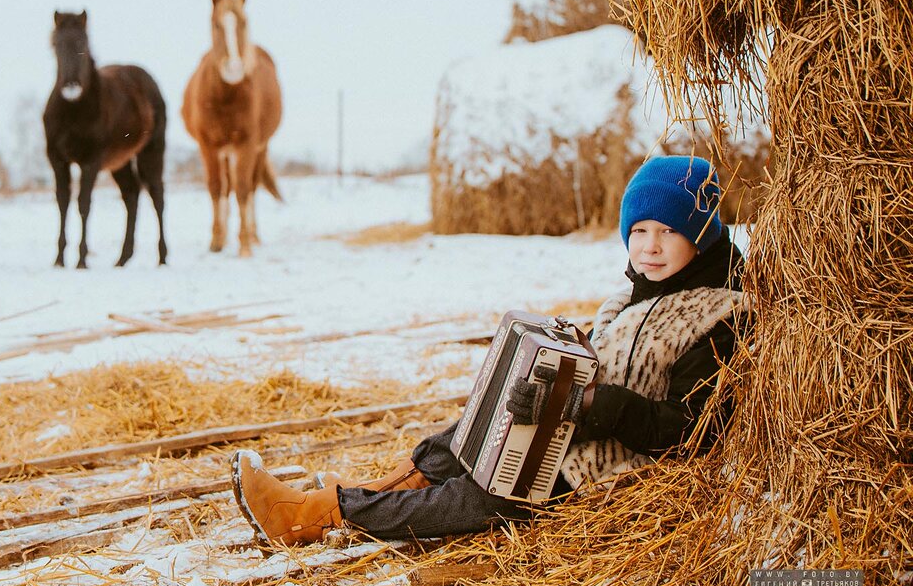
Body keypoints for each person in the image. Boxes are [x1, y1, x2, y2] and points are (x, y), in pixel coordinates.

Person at [230, 155, 748, 545]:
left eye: (668, 231)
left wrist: (584, 403)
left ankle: (312, 515)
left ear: (701, 236)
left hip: (617, 470)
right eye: (638, 230)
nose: (649, 246)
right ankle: (377, 490)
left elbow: (687, 431)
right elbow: (621, 366)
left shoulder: (717, 317)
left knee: (484, 495)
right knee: (474, 430)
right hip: (582, 432)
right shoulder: (634, 293)